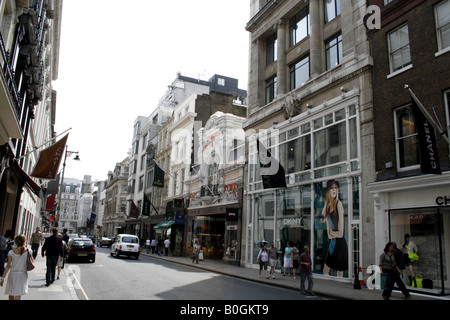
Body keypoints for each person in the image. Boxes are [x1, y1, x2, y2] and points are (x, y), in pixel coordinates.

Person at [322, 180, 348, 277]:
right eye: (331, 188)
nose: (334, 190)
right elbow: (329, 233)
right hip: (333, 242)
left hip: (341, 243)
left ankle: (339, 286)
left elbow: (341, 233)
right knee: (326, 270)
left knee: (340, 272)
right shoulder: (327, 208)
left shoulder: (339, 204)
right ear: (328, 191)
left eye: (335, 188)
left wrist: (333, 233)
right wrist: (333, 233)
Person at [0, 234, 32, 300]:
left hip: (13, 274)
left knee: (11, 292)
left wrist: (3, 277)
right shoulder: (28, 251)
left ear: (16, 242)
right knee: (18, 293)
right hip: (22, 274)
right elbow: (31, 261)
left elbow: (8, 265)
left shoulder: (11, 252)